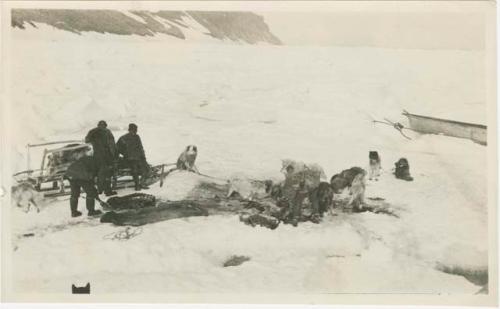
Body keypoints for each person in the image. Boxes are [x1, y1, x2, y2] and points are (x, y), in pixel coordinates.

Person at [64, 149, 103, 217]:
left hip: (70, 173)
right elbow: (96, 176)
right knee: (90, 192)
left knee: (74, 194)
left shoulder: (89, 159)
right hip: (82, 174)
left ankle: (74, 212)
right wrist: (95, 190)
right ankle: (91, 211)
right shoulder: (100, 163)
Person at [85, 120, 117, 196]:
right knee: (104, 173)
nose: (103, 127)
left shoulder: (105, 132)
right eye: (102, 126)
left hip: (104, 156)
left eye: (104, 126)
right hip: (101, 156)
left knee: (105, 173)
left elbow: (112, 144)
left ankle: (102, 189)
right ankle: (105, 190)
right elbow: (87, 140)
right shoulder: (97, 132)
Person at [116, 123, 150, 191]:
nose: (135, 132)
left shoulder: (137, 137)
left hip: (139, 157)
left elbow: (140, 147)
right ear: (130, 130)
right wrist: (125, 154)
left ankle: (142, 183)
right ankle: (137, 185)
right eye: (134, 130)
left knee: (146, 168)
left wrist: (143, 156)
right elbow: (117, 149)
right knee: (135, 170)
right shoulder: (123, 138)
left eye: (135, 130)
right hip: (130, 159)